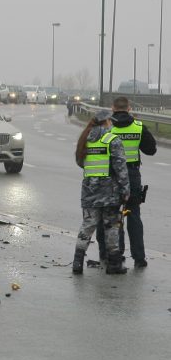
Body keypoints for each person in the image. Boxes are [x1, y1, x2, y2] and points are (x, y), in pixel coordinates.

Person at [95, 96, 156, 268]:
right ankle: (139, 258)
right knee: (133, 214)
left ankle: (112, 254)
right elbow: (151, 150)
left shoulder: (106, 127)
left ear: (113, 109)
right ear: (129, 109)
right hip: (132, 176)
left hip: (110, 174)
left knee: (109, 215)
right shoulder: (138, 126)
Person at [72, 109, 130, 275]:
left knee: (88, 225)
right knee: (111, 226)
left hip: (89, 189)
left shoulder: (85, 139)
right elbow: (121, 169)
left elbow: (80, 162)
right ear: (106, 122)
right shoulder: (112, 140)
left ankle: (77, 262)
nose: (111, 124)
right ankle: (114, 264)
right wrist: (125, 190)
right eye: (110, 121)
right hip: (110, 192)